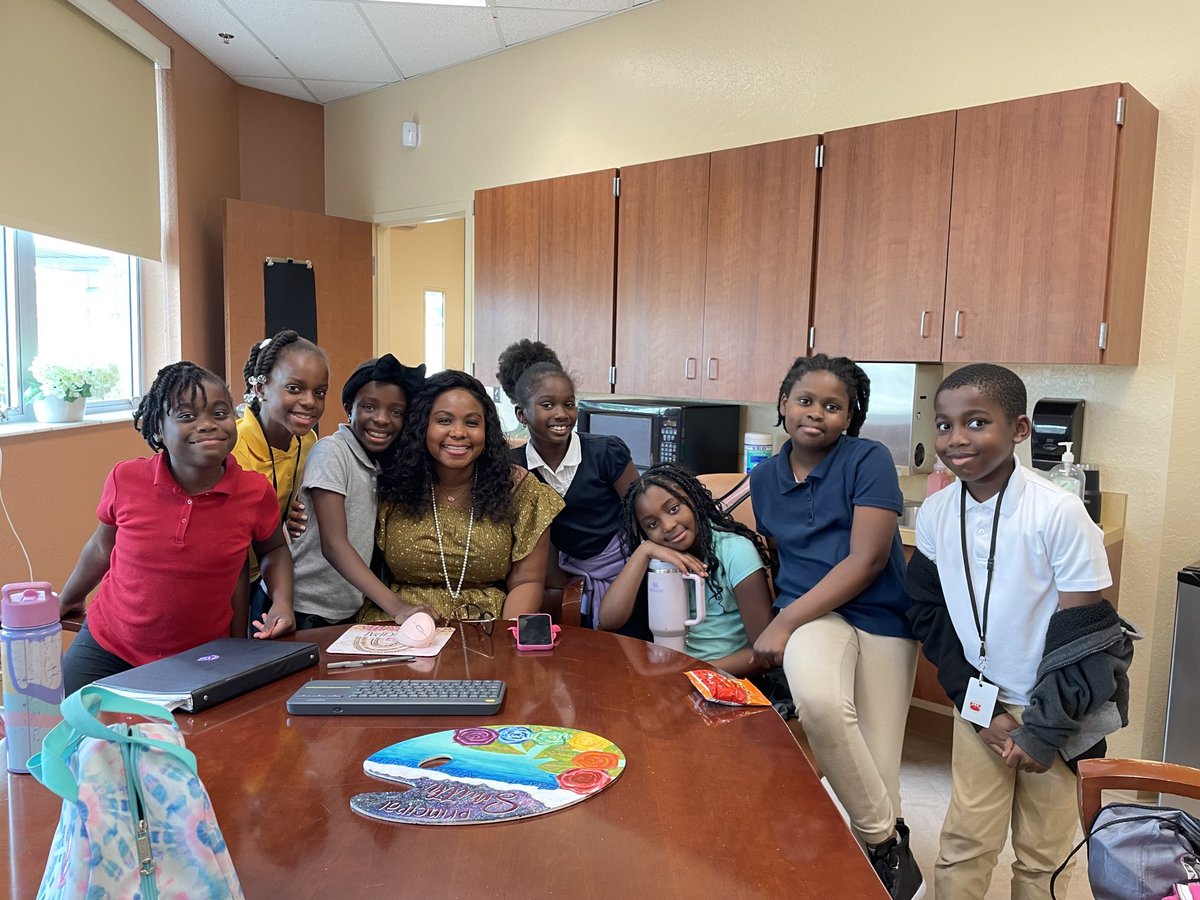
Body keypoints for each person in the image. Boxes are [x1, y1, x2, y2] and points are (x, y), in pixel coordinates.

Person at [907, 364, 1130, 900]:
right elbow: (927, 612)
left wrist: (1044, 732)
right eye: (944, 424)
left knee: (1042, 857)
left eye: (977, 422)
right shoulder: (938, 512)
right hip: (982, 701)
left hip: (1060, 710)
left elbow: (1088, 638)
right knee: (965, 841)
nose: (956, 439)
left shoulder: (1059, 512)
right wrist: (977, 707)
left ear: (1020, 430)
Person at [748, 353, 923, 900]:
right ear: (783, 405)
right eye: (805, 400)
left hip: (883, 618)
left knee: (875, 775)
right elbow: (782, 554)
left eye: (833, 406)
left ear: (849, 417)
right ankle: (886, 845)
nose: (817, 413)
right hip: (815, 616)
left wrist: (781, 624)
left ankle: (867, 863)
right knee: (821, 706)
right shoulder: (763, 478)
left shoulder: (868, 459)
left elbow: (867, 560)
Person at [58, 362, 296, 694]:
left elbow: (274, 549)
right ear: (157, 430)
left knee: (184, 742)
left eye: (220, 413)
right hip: (109, 644)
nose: (207, 425)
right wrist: (67, 598)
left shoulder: (254, 492)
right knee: (67, 724)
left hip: (200, 656)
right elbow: (101, 547)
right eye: (186, 416)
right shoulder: (126, 478)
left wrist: (282, 602)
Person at [359, 370, 564, 622]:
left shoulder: (518, 488)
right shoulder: (391, 483)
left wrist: (505, 643)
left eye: (471, 422)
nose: (458, 432)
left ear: (486, 430)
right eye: (444, 421)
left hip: (488, 629)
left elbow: (527, 581)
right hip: (401, 627)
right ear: (423, 426)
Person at [497, 339, 638, 625]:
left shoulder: (606, 452)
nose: (562, 414)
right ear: (522, 414)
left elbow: (641, 516)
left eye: (569, 404)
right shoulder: (512, 468)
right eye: (548, 405)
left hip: (628, 575)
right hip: (560, 582)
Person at [288, 354, 430, 631]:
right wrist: (398, 608)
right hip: (305, 609)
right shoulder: (332, 452)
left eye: (396, 412)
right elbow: (334, 545)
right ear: (348, 408)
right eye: (369, 407)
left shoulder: (381, 462)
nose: (381, 419)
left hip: (345, 608)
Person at [597, 464, 772, 676]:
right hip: (671, 672)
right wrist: (644, 551)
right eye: (652, 524)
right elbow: (608, 621)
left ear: (693, 500)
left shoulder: (735, 550)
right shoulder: (657, 556)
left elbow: (763, 652)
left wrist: (691, 671)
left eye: (673, 509)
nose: (668, 525)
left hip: (724, 677)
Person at [234, 329, 329, 624]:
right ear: (260, 389)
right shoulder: (234, 448)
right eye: (294, 388)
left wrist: (288, 517)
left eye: (320, 392)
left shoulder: (308, 441)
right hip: (227, 577)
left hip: (266, 572)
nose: (309, 401)